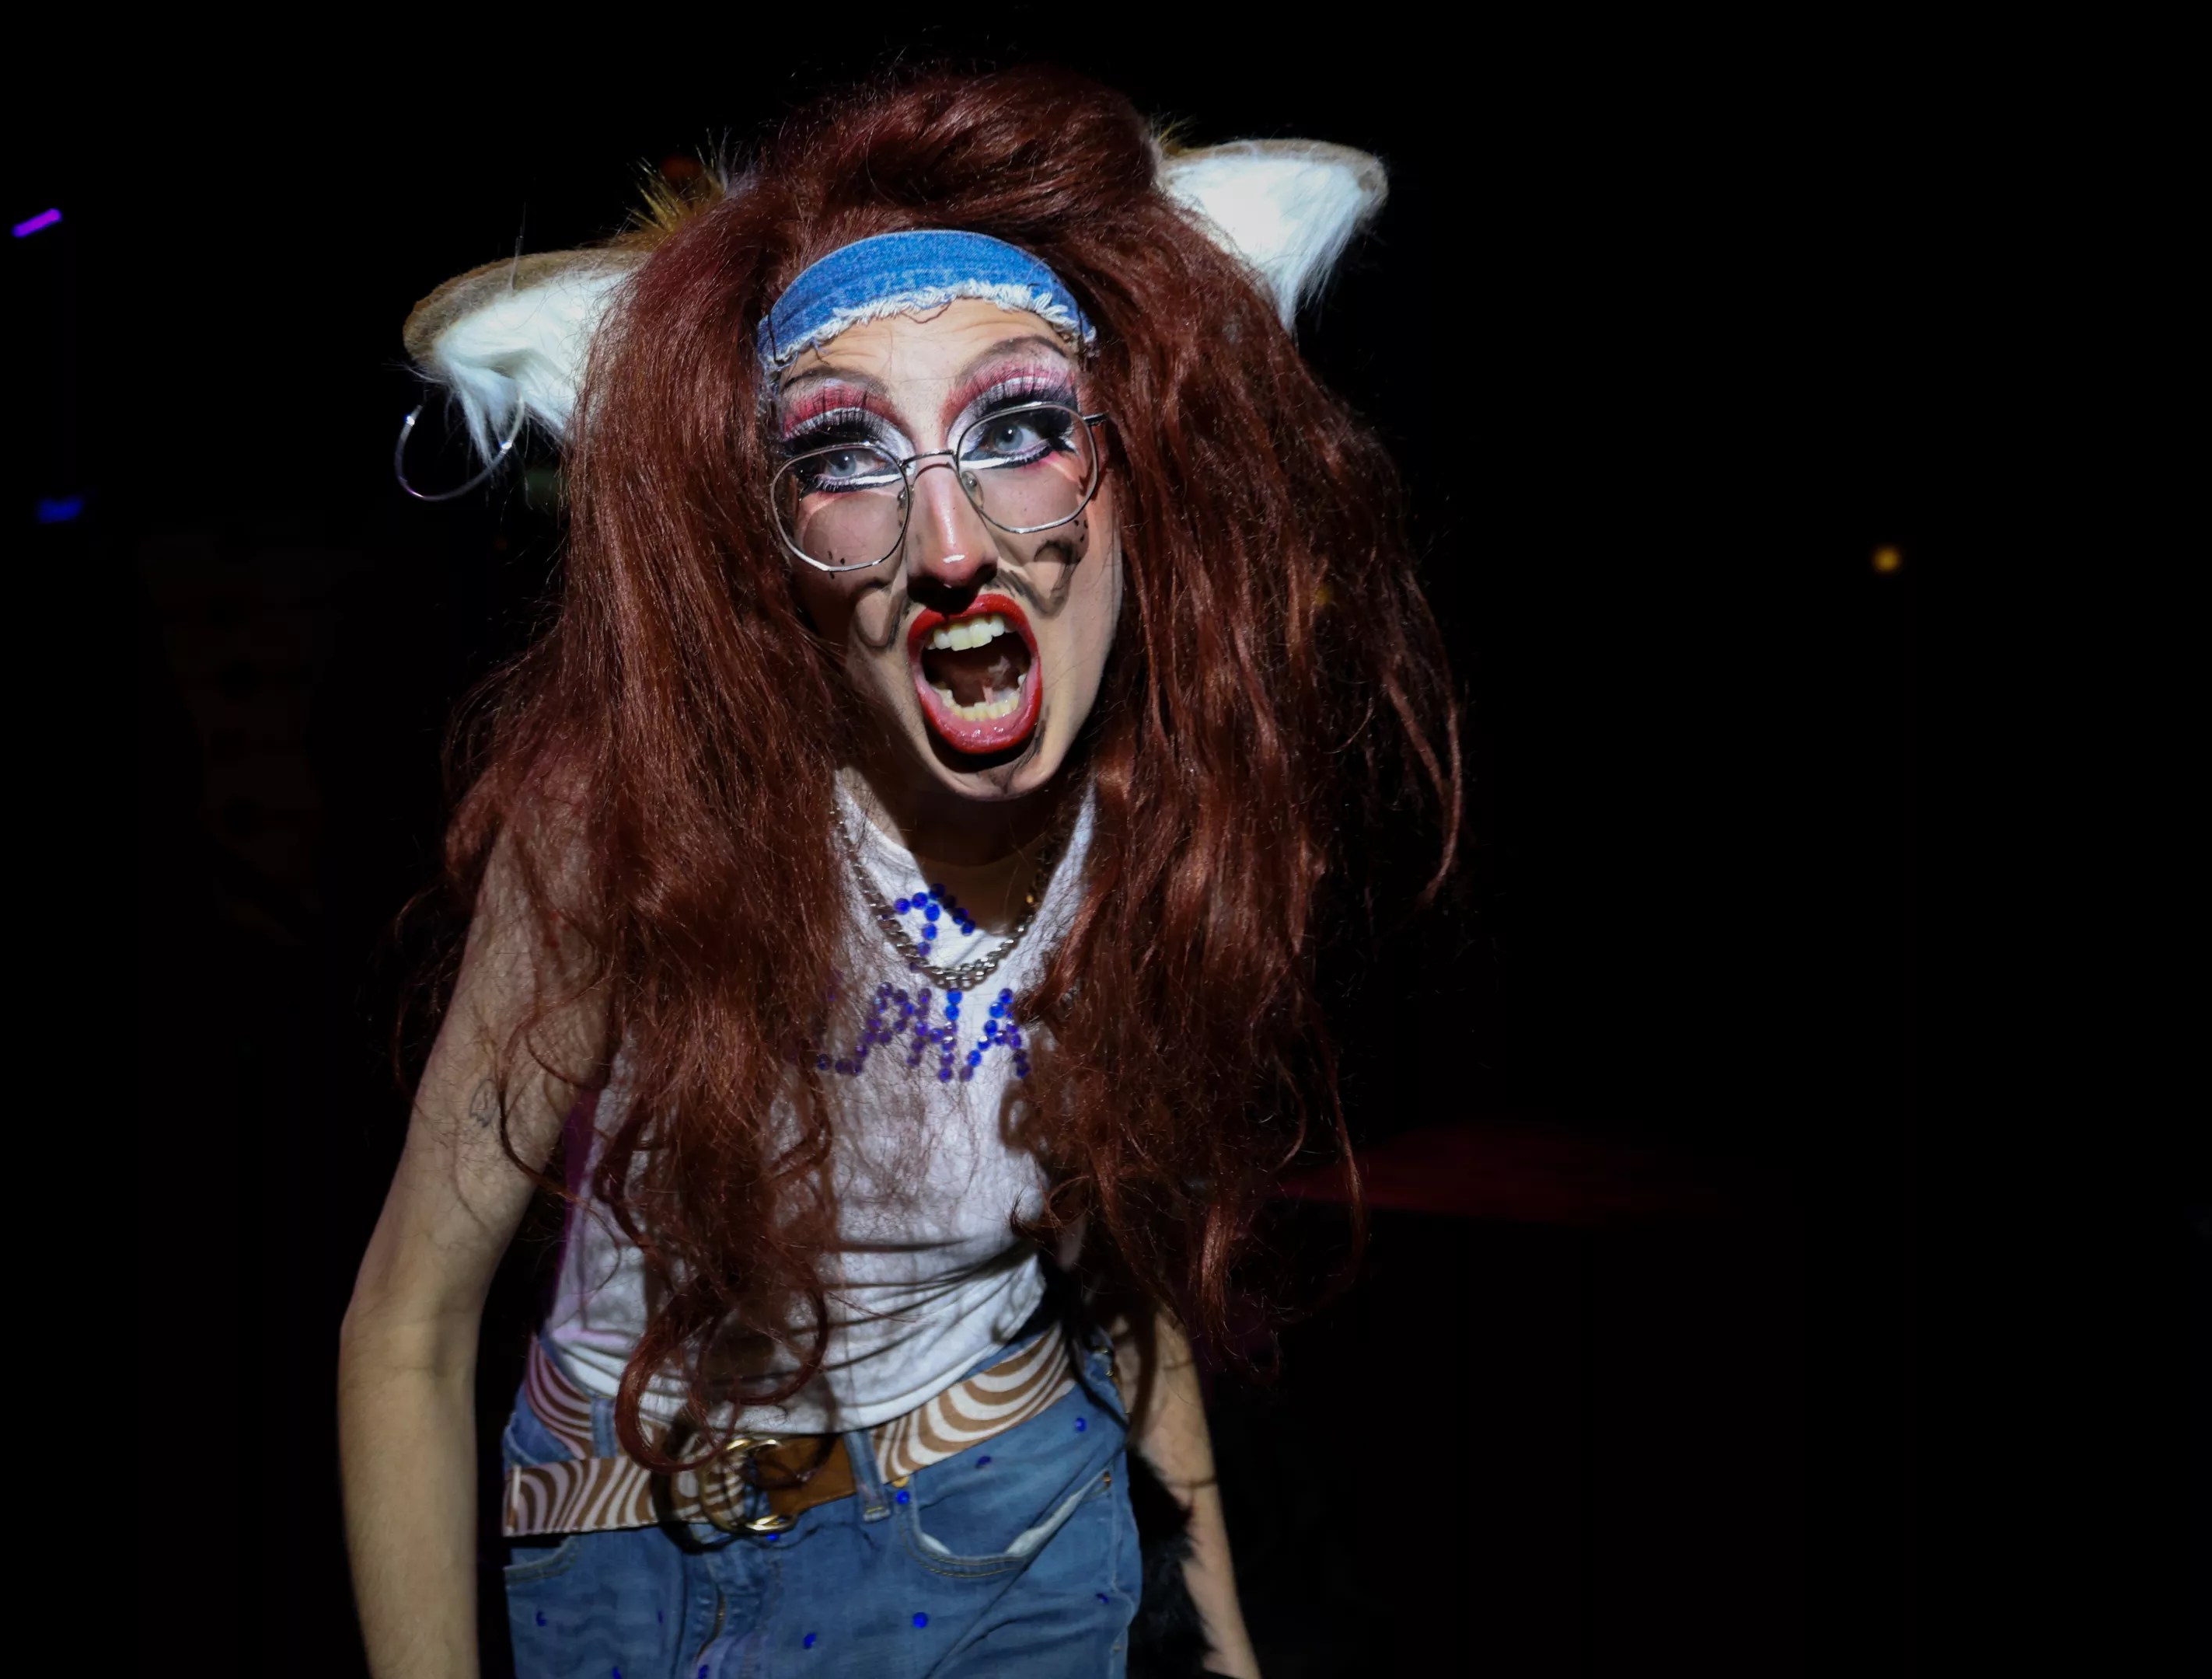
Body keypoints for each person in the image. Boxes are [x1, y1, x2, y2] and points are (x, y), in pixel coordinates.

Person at [338, 64, 1457, 1679]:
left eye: (1023, 427)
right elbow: (407, 1331)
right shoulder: (632, 827)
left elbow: (1120, 1274)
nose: (949, 549)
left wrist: (1223, 1648)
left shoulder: (1141, 808)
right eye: (846, 458)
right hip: (663, 1565)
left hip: (1025, 1502)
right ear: (765, 543)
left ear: (1137, 468)